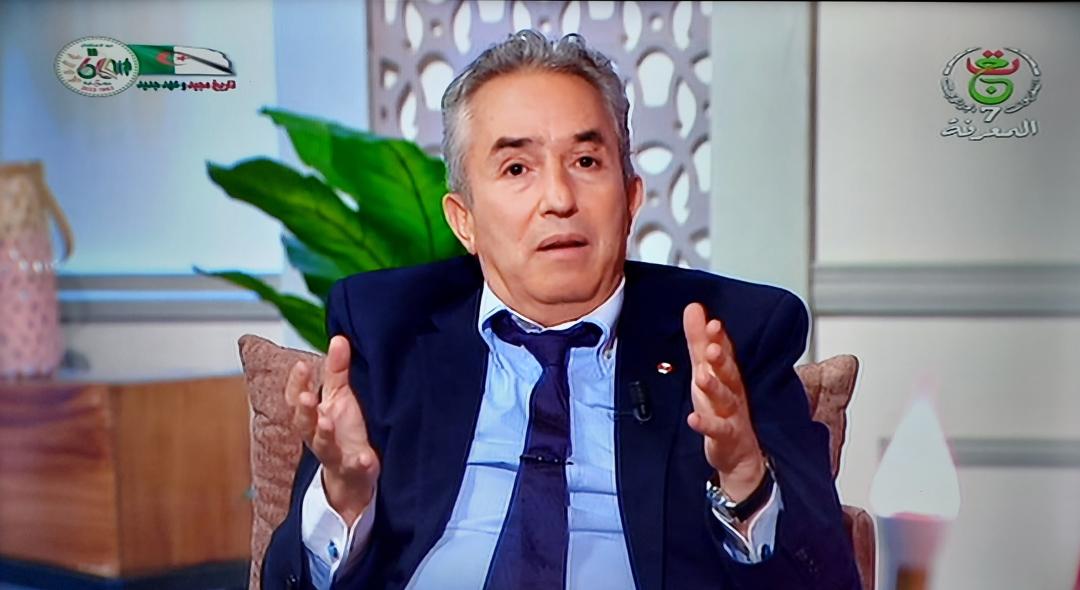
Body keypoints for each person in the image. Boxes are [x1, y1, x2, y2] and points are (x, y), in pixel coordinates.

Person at [262, 30, 860, 590]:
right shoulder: (387, 327)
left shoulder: (730, 336)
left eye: (586, 162)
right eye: (517, 168)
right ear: (463, 220)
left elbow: (829, 574)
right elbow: (289, 577)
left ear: (630, 199)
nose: (558, 199)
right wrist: (343, 499)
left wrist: (746, 479)